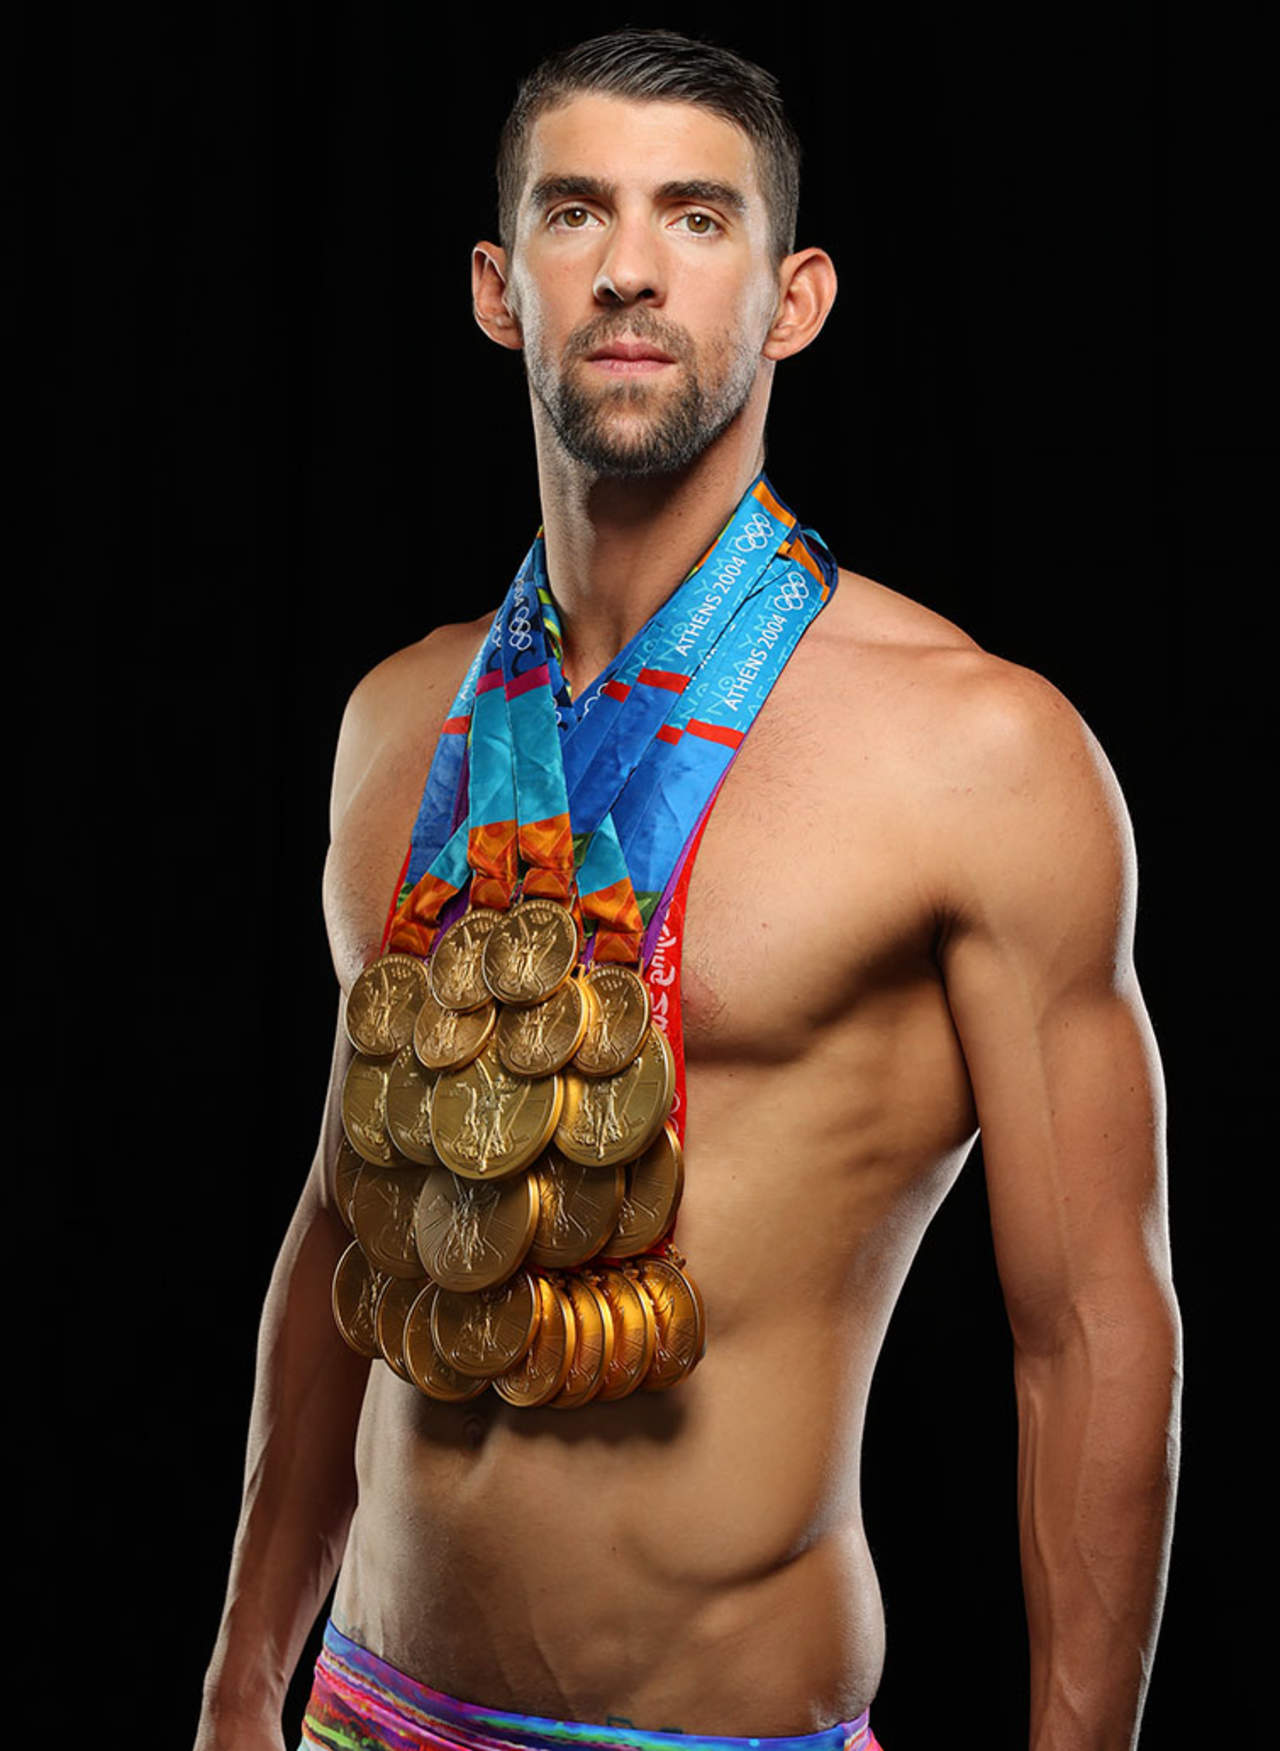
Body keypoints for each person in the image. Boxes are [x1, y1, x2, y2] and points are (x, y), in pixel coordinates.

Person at [194, 28, 1181, 1751]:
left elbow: (1089, 1321)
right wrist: (235, 1685)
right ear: (501, 290)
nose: (632, 267)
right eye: (577, 213)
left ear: (794, 298)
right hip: (367, 1704)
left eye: (696, 218)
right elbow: (345, 1220)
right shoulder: (394, 723)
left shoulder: (979, 751)